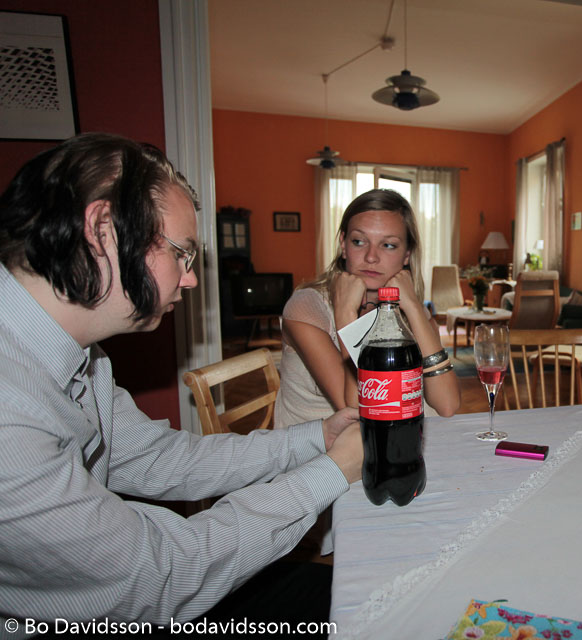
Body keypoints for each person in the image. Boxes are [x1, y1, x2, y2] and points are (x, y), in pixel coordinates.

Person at [0, 133, 363, 633]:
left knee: (356, 591)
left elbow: (161, 459)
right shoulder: (11, 411)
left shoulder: (81, 357)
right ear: (102, 230)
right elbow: (159, 577)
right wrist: (333, 471)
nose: (190, 279)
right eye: (181, 254)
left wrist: (317, 438)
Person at [274, 188, 461, 429]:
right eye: (359, 242)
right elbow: (357, 409)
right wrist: (345, 314)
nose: (371, 257)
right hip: (320, 449)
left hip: (398, 439)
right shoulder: (307, 309)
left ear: (407, 255)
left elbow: (447, 405)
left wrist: (414, 307)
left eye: (388, 245)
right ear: (343, 245)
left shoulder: (409, 312)